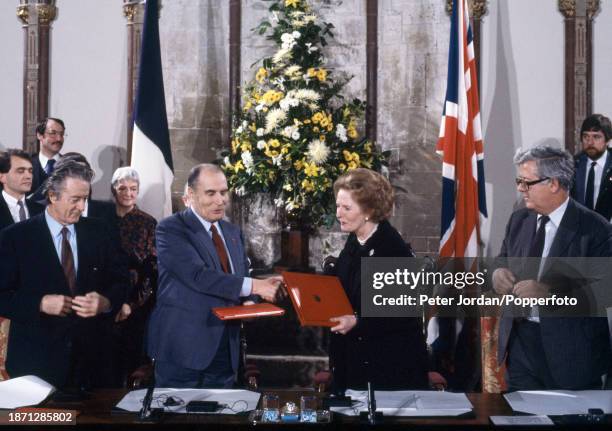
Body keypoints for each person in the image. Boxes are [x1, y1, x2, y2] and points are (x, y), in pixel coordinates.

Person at [147, 163, 282, 388]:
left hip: (225, 349)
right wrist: (256, 288)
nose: (220, 200)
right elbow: (198, 276)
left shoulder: (232, 232)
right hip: (183, 349)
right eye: (211, 193)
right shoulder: (171, 229)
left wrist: (250, 302)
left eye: (223, 192)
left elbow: (240, 276)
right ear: (191, 195)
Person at [0, 160, 129, 389]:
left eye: (85, 199)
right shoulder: (15, 238)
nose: (81, 207)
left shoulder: (101, 231)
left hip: (94, 364)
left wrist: (107, 302)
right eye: (75, 200)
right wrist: (39, 303)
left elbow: (121, 280)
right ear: (52, 196)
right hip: (36, 365)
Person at [493, 144, 612, 390]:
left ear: (554, 184)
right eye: (519, 181)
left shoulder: (595, 229)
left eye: (527, 182)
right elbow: (501, 259)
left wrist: (549, 293)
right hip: (520, 346)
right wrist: (496, 274)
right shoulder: (519, 220)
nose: (520, 188)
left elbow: (605, 291)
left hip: (572, 354)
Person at [327, 168, 429, 391]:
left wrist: (357, 321)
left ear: (369, 211)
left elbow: (399, 316)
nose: (338, 214)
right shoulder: (355, 241)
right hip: (356, 360)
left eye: (346, 208)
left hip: (390, 368)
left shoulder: (392, 249)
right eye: (337, 206)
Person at [109, 166, 157, 386]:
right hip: (105, 300)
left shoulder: (148, 222)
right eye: (123, 188)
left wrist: (130, 304)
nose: (128, 193)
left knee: (132, 359)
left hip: (137, 303)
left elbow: (150, 270)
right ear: (113, 190)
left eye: (133, 188)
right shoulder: (101, 218)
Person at [571, 114, 612, 220]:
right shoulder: (573, 165)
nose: (590, 142)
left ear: (607, 140)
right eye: (586, 137)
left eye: (596, 137)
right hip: (579, 230)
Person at [0, 149, 44, 231]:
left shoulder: (41, 210)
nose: (28, 176)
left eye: (30, 171)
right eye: (20, 171)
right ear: (2, 177)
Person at [31, 117, 65, 193]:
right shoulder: (27, 164)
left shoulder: (71, 165)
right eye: (53, 133)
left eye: (61, 134)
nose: (59, 139)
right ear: (39, 135)